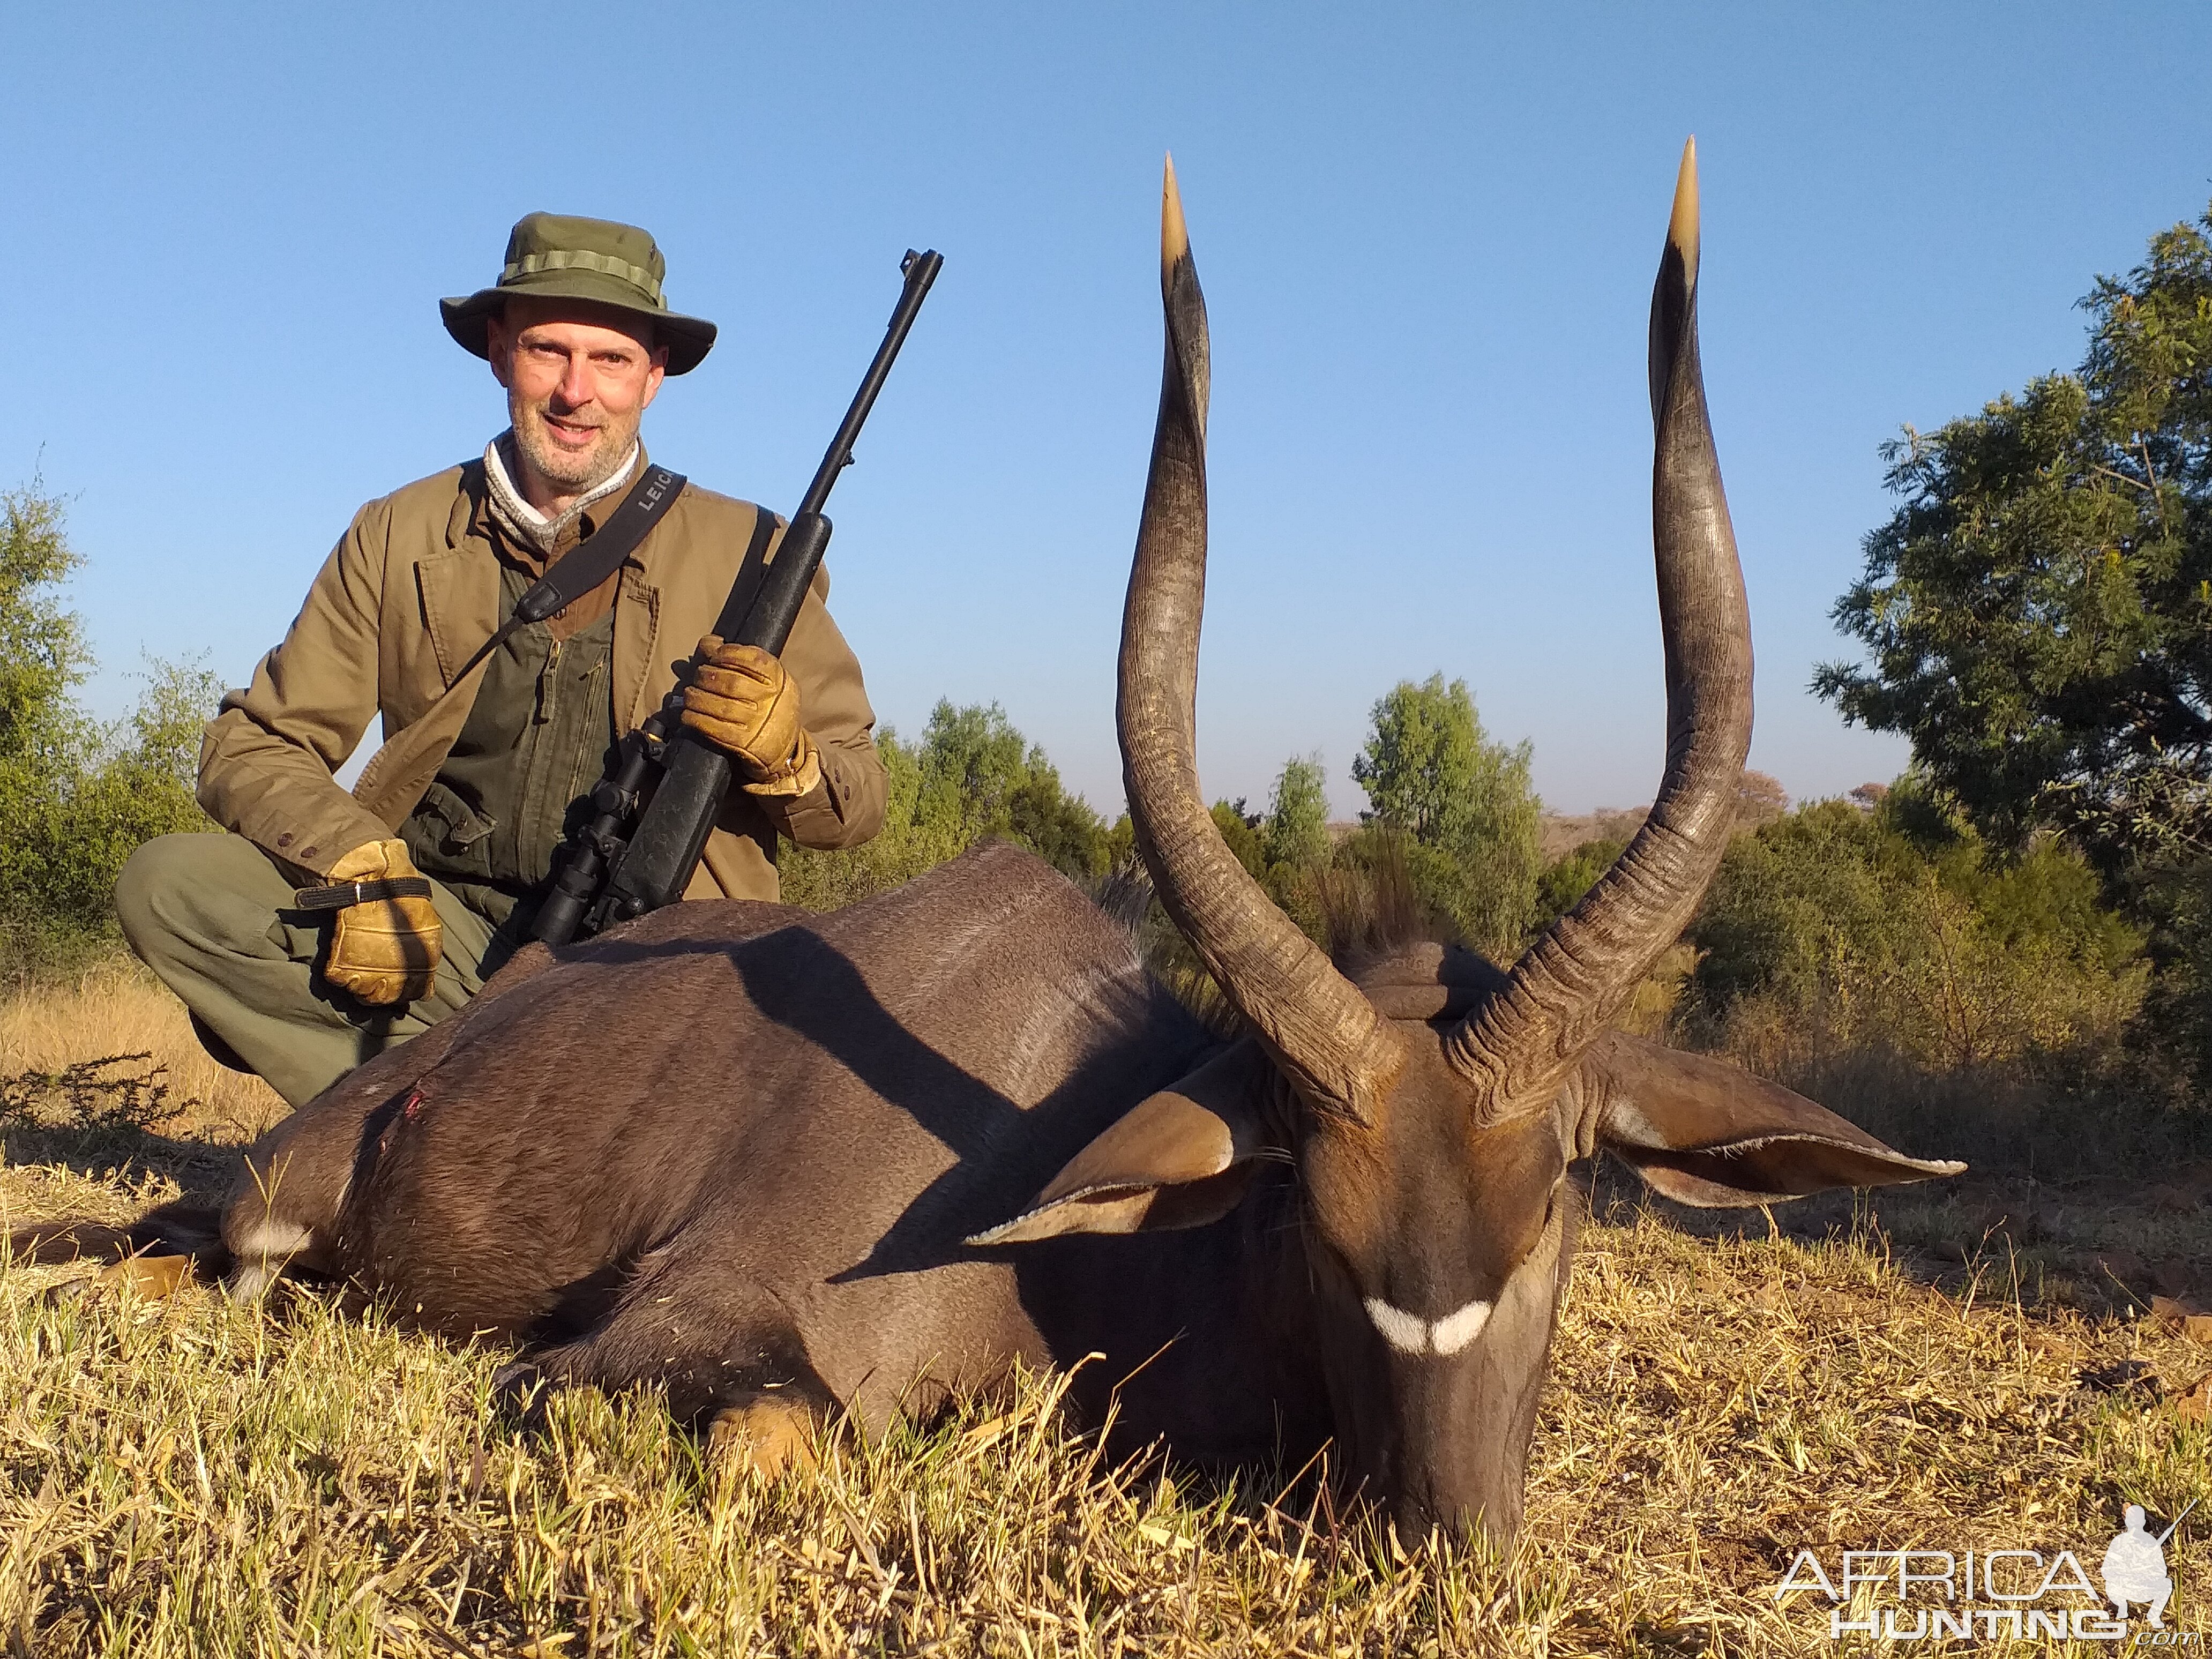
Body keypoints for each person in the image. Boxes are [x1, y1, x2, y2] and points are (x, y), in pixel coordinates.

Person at [116, 213, 888, 1109]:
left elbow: (856, 803)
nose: (575, 391)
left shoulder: (754, 550)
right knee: (170, 885)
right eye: (546, 351)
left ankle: (427, 1128)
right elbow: (251, 748)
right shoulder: (396, 530)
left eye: (610, 360)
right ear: (496, 352)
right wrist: (354, 858)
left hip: (657, 977)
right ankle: (445, 1132)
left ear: (654, 376)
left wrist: (788, 759)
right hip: (441, 947)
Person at [2102, 1504, 2174, 1627]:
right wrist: (2124, 1572)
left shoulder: (2151, 1542)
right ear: (2126, 1520)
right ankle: (2122, 1609)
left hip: (2145, 1588)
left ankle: (2154, 1616)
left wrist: (2146, 1572)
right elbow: (2106, 1571)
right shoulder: (2119, 1541)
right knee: (2110, 1584)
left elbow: (2162, 1571)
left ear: (2144, 1522)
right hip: (2124, 1587)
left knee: (2166, 1584)